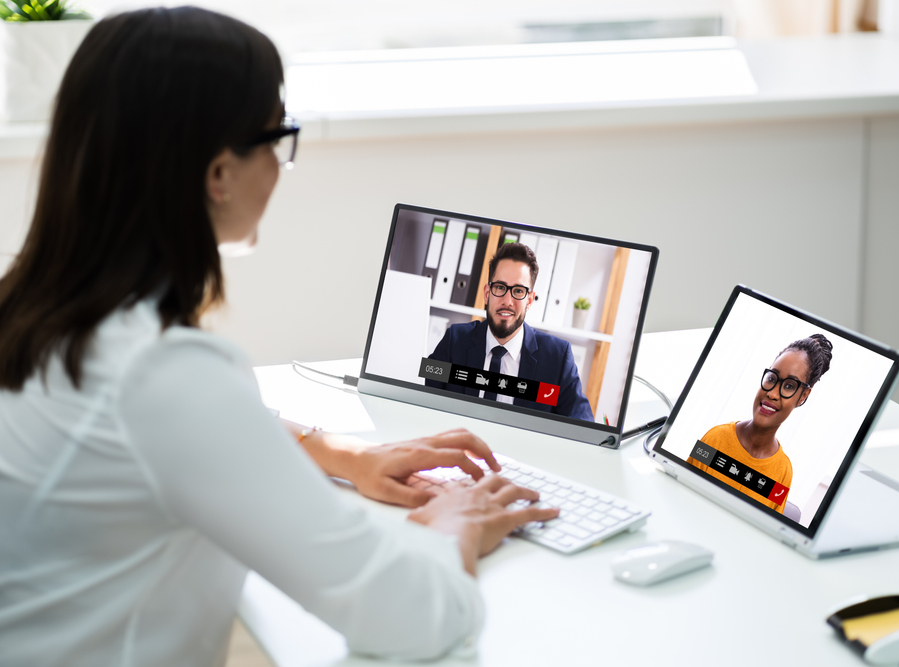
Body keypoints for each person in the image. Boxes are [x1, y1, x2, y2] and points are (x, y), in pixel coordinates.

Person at [0, 9, 557, 666]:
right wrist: (451, 526)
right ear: (217, 173)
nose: (279, 163)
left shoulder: (33, 310)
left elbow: (174, 434)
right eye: (276, 135)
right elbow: (409, 617)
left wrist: (342, 454)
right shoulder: (165, 372)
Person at [425, 242, 594, 421]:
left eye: (518, 291)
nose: (508, 300)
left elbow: (583, 427)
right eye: (500, 287)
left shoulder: (557, 359)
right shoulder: (455, 341)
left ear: (529, 300)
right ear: (487, 293)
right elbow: (421, 396)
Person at [687, 334, 833, 514]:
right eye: (772, 379)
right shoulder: (715, 438)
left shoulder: (782, 472)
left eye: (789, 386)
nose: (772, 393)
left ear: (803, 396)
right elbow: (681, 492)